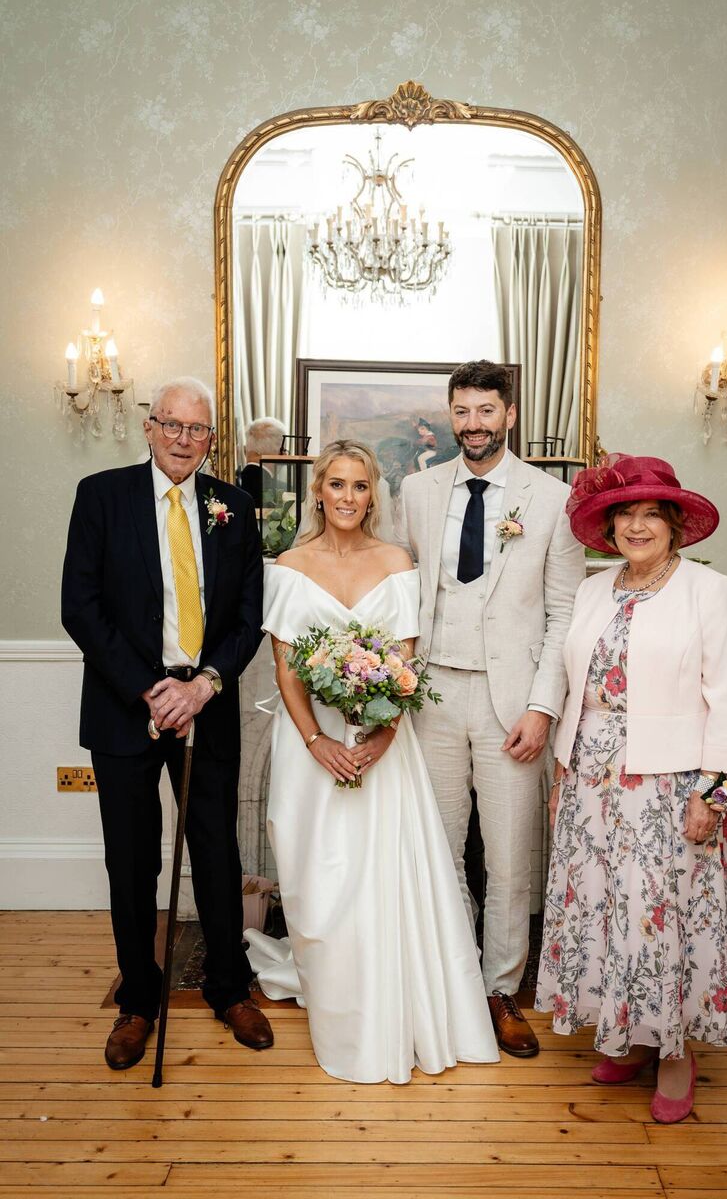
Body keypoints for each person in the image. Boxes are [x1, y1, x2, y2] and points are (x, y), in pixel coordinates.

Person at [245, 439, 499, 1084]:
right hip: (313, 750)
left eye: (360, 486)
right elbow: (286, 665)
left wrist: (382, 737)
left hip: (384, 744)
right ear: (319, 492)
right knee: (319, 879)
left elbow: (405, 662)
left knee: (383, 874)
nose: (348, 498)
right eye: (337, 485)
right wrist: (315, 742)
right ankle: (339, 1000)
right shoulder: (288, 565)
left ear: (373, 494)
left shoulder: (397, 561)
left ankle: (398, 1001)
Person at [61, 377, 273, 1070]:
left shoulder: (235, 507)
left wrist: (205, 684)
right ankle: (138, 1002)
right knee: (132, 859)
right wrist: (152, 689)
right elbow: (80, 605)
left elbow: (248, 615)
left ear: (212, 440)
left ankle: (228, 988)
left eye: (198, 430)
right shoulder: (102, 495)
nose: (184, 440)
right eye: (172, 426)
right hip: (127, 708)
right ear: (149, 428)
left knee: (216, 852)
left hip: (207, 708)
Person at [536, 453, 727, 1123]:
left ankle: (676, 1053)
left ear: (674, 522)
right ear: (607, 526)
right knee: (607, 911)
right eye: (622, 514)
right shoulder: (596, 588)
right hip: (591, 776)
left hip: (671, 781)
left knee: (667, 915)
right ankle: (626, 1036)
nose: (635, 525)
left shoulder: (710, 593)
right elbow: (575, 685)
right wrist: (563, 774)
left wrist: (712, 795)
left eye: (648, 513)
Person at [396, 360, 585, 1057]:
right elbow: (401, 591)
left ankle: (501, 992)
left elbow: (564, 612)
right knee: (439, 852)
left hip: (513, 705)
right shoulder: (415, 491)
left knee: (507, 861)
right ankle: (449, 984)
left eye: (485, 411)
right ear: (450, 416)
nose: (473, 424)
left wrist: (542, 707)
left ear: (508, 415)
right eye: (462, 411)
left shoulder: (551, 498)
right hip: (432, 696)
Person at [239, 416, 288, 508]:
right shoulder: (284, 492)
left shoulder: (232, 481)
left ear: (247, 450)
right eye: (284, 450)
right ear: (280, 452)